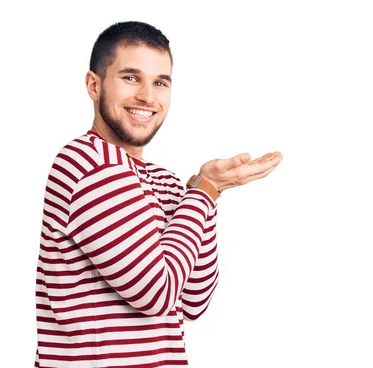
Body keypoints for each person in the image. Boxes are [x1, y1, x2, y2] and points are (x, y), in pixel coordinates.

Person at [35, 21, 282, 367]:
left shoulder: (166, 181)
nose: (148, 97)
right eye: (131, 78)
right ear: (94, 85)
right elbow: (156, 293)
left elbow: (193, 300)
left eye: (160, 82)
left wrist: (206, 192)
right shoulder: (87, 162)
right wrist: (206, 191)